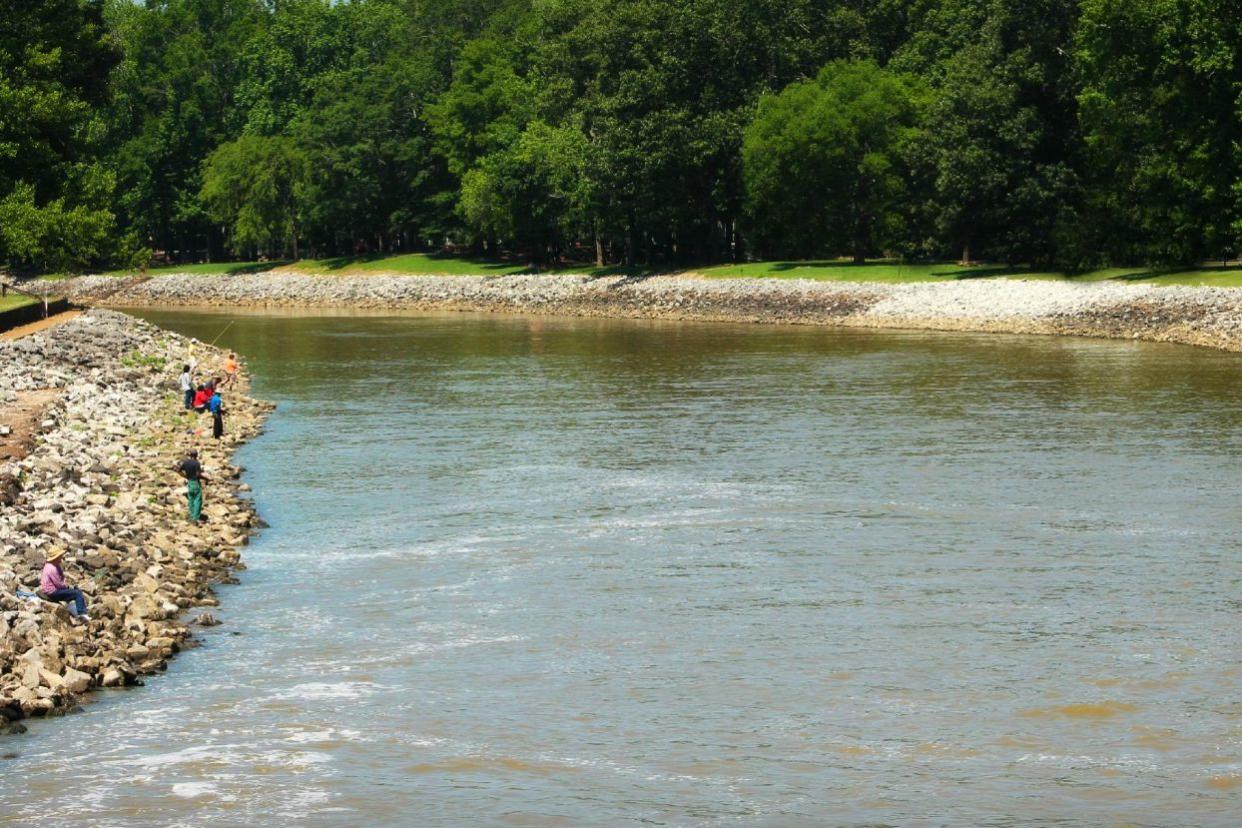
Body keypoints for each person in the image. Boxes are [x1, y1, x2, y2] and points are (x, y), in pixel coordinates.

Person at [39, 548, 90, 621]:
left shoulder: (53, 565)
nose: (61, 557)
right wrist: (68, 587)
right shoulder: (52, 568)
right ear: (55, 558)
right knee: (77, 593)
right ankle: (82, 614)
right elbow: (59, 584)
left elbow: (61, 577)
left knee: (74, 591)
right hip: (52, 592)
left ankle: (77, 609)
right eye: (60, 556)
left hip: (53, 590)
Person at [177, 449, 208, 521]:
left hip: (189, 482)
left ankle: (191, 515)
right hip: (195, 482)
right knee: (197, 500)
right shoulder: (197, 463)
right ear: (196, 455)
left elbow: (179, 470)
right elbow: (198, 475)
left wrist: (184, 476)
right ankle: (195, 517)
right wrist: (205, 478)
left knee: (191, 499)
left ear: (190, 455)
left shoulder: (186, 463)